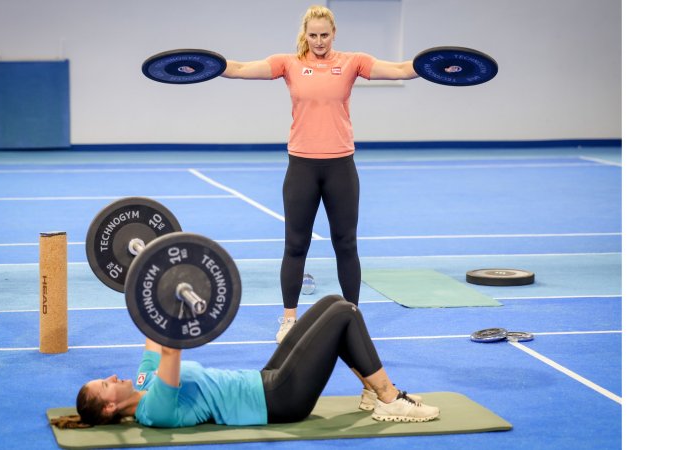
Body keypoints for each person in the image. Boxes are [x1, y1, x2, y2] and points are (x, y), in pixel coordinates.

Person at [220, 5, 420, 342]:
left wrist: (435, 67)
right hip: (302, 167)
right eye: (312, 35)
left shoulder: (352, 62)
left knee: (346, 244)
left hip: (341, 166)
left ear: (334, 33)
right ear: (305, 34)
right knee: (295, 246)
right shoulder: (289, 63)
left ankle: (352, 316)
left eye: (324, 35)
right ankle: (288, 320)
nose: (318, 41)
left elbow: (400, 69)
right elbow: (239, 68)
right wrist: (203, 67)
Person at [54, 295, 438, 429]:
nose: (110, 376)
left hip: (265, 379)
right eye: (104, 384)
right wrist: (178, 298)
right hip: (279, 401)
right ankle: (389, 398)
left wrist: (151, 283)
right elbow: (172, 349)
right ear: (108, 406)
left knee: (333, 303)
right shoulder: (153, 409)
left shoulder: (141, 386)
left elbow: (154, 339)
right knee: (345, 315)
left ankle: (374, 392)